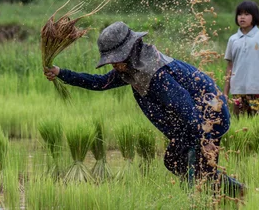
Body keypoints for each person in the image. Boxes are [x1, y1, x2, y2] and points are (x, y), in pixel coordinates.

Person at [44, 21, 243, 196]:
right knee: (174, 161)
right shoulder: (131, 67)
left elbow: (185, 105)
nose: (112, 64)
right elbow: (100, 83)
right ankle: (231, 192)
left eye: (115, 59)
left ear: (128, 52)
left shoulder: (155, 73)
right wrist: (61, 73)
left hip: (206, 117)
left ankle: (208, 196)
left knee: (195, 168)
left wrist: (205, 139)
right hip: (189, 120)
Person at [223, 0, 259, 117]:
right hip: (237, 91)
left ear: (254, 16)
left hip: (257, 89)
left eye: (247, 14)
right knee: (239, 124)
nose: (242, 17)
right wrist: (225, 92)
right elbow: (230, 66)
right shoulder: (233, 39)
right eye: (240, 14)